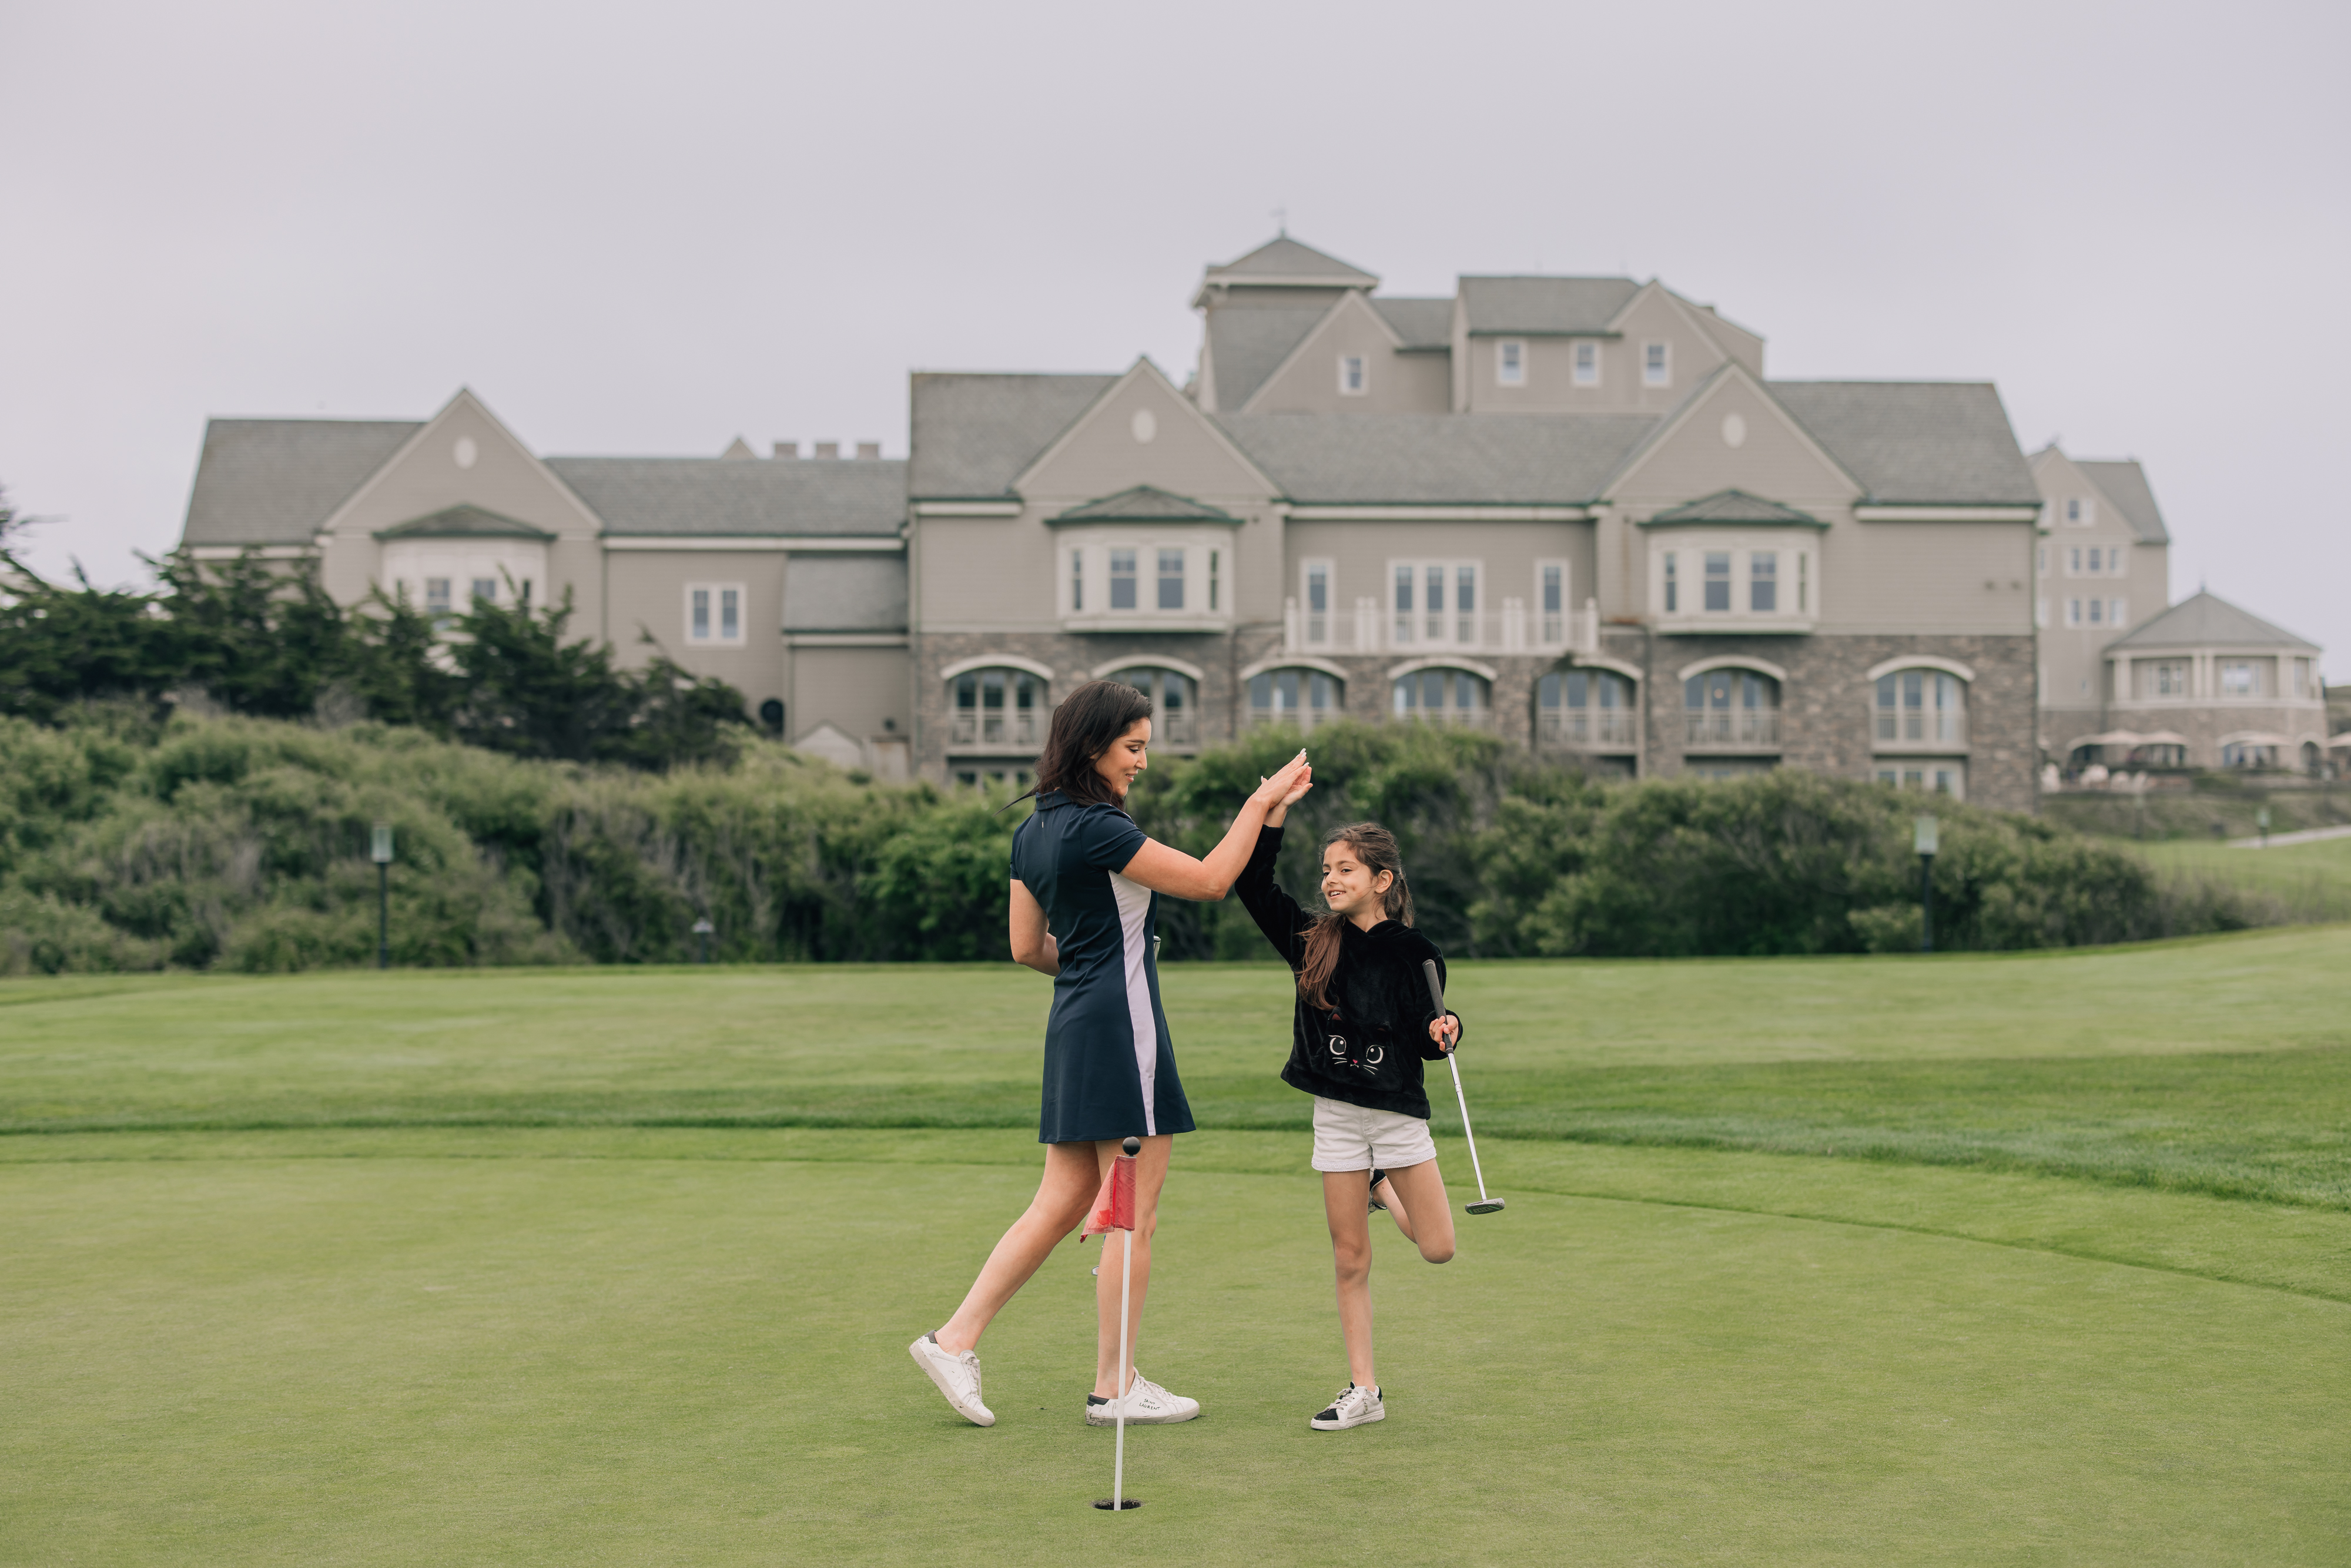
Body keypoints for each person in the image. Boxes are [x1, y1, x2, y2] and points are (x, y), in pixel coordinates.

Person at [910, 679, 1314, 1429]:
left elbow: (1025, 947)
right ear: (1093, 746)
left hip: (1073, 1023)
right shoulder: (1098, 827)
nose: (1142, 762)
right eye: (1133, 747)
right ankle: (1113, 1386)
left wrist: (1094, 963)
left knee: (1063, 1199)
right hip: (1123, 1029)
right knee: (1133, 1214)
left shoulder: (1032, 829)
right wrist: (1260, 804)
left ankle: (953, 1339)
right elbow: (1211, 880)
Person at [1233, 804, 1461, 1432]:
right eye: (1327, 869)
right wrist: (1272, 817)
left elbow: (1428, 1033)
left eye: (1346, 869)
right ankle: (1364, 1389)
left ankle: (1379, 1186)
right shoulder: (1311, 937)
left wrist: (1446, 1029)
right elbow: (1252, 883)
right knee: (1349, 1258)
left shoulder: (1416, 952)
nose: (1330, 879)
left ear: (1381, 880)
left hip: (1395, 1117)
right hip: (1335, 1115)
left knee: (1438, 1247)